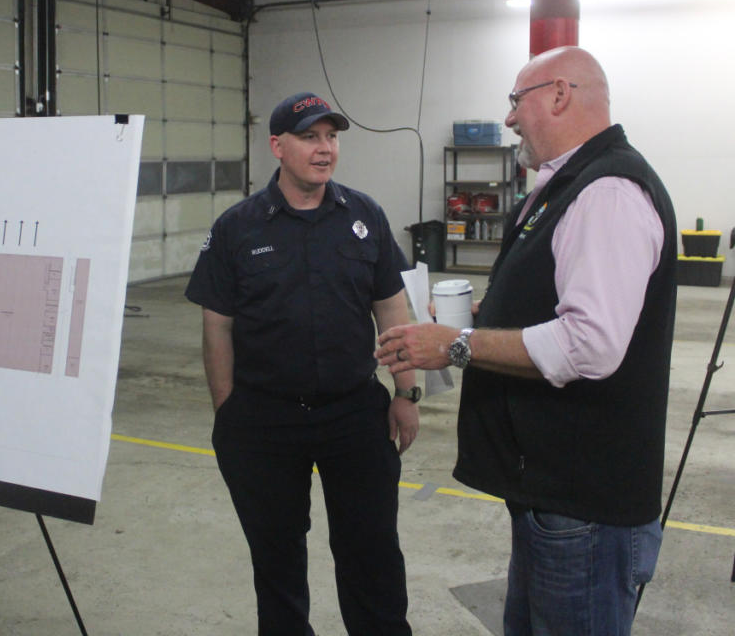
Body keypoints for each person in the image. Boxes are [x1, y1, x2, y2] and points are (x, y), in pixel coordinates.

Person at [376, 47, 677, 635]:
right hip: (553, 496)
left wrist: (459, 344)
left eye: (517, 101)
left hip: (584, 504)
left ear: (560, 95)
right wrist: (492, 311)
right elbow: (559, 294)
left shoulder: (607, 192)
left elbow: (590, 345)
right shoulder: (565, 184)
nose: (510, 119)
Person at [185, 92, 419, 636]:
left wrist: (407, 393)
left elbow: (392, 308)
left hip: (356, 415)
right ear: (278, 147)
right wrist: (229, 412)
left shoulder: (365, 215)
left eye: (331, 137)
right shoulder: (237, 228)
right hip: (266, 421)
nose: (325, 149)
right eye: (310, 137)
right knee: (277, 559)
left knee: (373, 553)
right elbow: (216, 325)